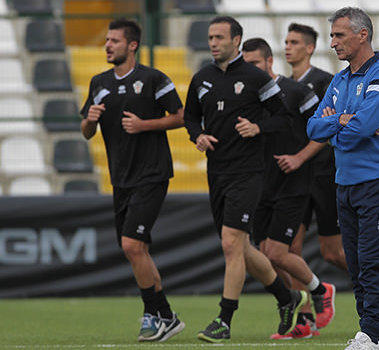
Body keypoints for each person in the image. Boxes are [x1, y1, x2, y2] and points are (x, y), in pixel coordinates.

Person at [183, 16, 307, 343]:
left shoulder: (255, 78)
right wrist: (197, 136)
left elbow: (283, 118)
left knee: (229, 243)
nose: (213, 43)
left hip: (248, 172)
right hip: (217, 172)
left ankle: (223, 319)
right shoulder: (202, 78)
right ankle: (287, 298)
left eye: (219, 37)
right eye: (210, 37)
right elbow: (190, 116)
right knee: (242, 247)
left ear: (236, 40)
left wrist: (258, 128)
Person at [80, 18, 185, 342]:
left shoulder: (153, 78)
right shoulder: (99, 82)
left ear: (132, 45)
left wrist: (145, 125)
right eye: (107, 40)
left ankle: (154, 314)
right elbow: (85, 130)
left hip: (152, 173)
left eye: (114, 40)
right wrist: (90, 122)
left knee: (132, 244)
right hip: (120, 177)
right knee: (136, 250)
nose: (108, 45)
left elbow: (182, 116)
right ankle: (165, 316)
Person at [307, 7, 379, 350]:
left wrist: (342, 124)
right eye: (332, 35)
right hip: (345, 183)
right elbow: (313, 127)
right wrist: (343, 123)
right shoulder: (340, 79)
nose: (332, 42)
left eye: (338, 35)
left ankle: (373, 335)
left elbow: (360, 127)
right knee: (358, 264)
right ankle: (369, 335)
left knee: (373, 261)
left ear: (363, 35)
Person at [241, 37, 336, 340]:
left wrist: (299, 158)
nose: (251, 70)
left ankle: (320, 291)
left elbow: (323, 130)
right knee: (268, 255)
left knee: (281, 251)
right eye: (246, 65)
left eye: (255, 63)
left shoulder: (297, 92)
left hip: (294, 184)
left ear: (269, 62)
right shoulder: (246, 97)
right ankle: (304, 315)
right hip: (261, 184)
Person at [284, 23, 346, 272]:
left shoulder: (325, 83)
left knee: (332, 253)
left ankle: (372, 288)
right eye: (286, 42)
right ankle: (308, 308)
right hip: (296, 179)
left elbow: (332, 127)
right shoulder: (284, 87)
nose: (287, 47)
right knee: (289, 249)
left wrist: (300, 157)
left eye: (294, 42)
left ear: (310, 48)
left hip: (324, 175)